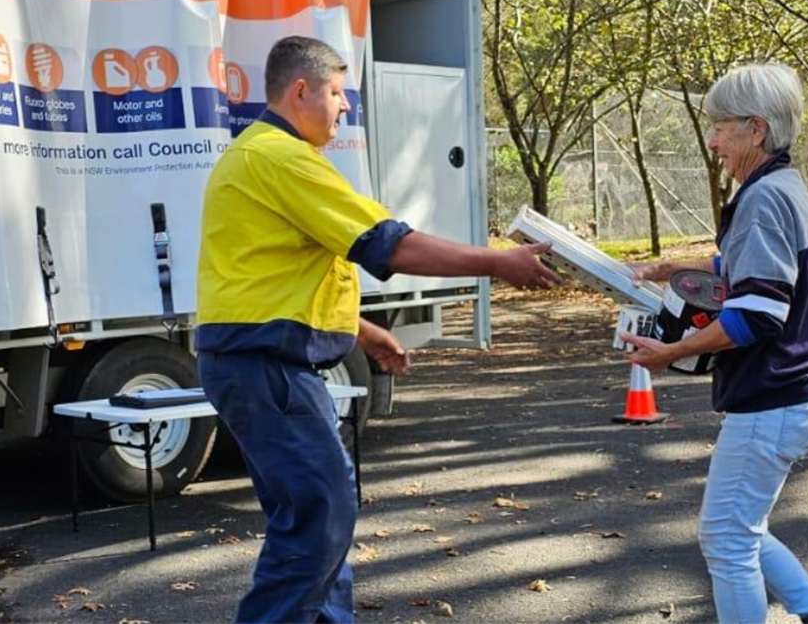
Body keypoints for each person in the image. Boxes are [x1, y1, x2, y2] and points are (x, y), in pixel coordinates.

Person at [196, 36, 560, 624]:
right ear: (299, 91)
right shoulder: (279, 158)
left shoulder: (264, 156)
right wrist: (497, 262)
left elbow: (277, 276)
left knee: (322, 516)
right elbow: (390, 244)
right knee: (320, 517)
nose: (344, 108)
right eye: (337, 93)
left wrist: (363, 330)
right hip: (267, 370)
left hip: (263, 366)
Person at [620, 63, 808, 624]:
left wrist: (668, 353)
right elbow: (755, 264)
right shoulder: (785, 186)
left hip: (772, 396)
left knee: (726, 540)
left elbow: (757, 315)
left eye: (721, 127)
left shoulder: (761, 199)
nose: (713, 142)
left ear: (756, 128)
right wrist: (681, 265)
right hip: (794, 393)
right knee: (740, 527)